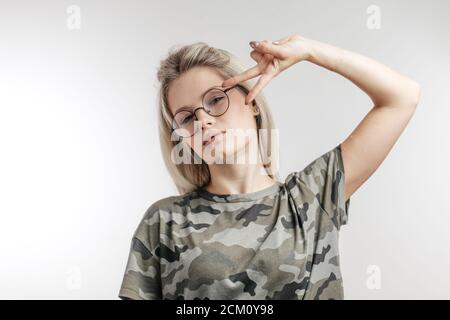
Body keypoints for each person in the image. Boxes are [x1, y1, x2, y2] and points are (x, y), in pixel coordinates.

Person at [118, 34, 421, 300]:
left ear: (251, 101)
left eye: (214, 99)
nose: (203, 121)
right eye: (185, 118)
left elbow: (402, 96)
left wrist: (309, 50)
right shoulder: (165, 221)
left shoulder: (313, 197)